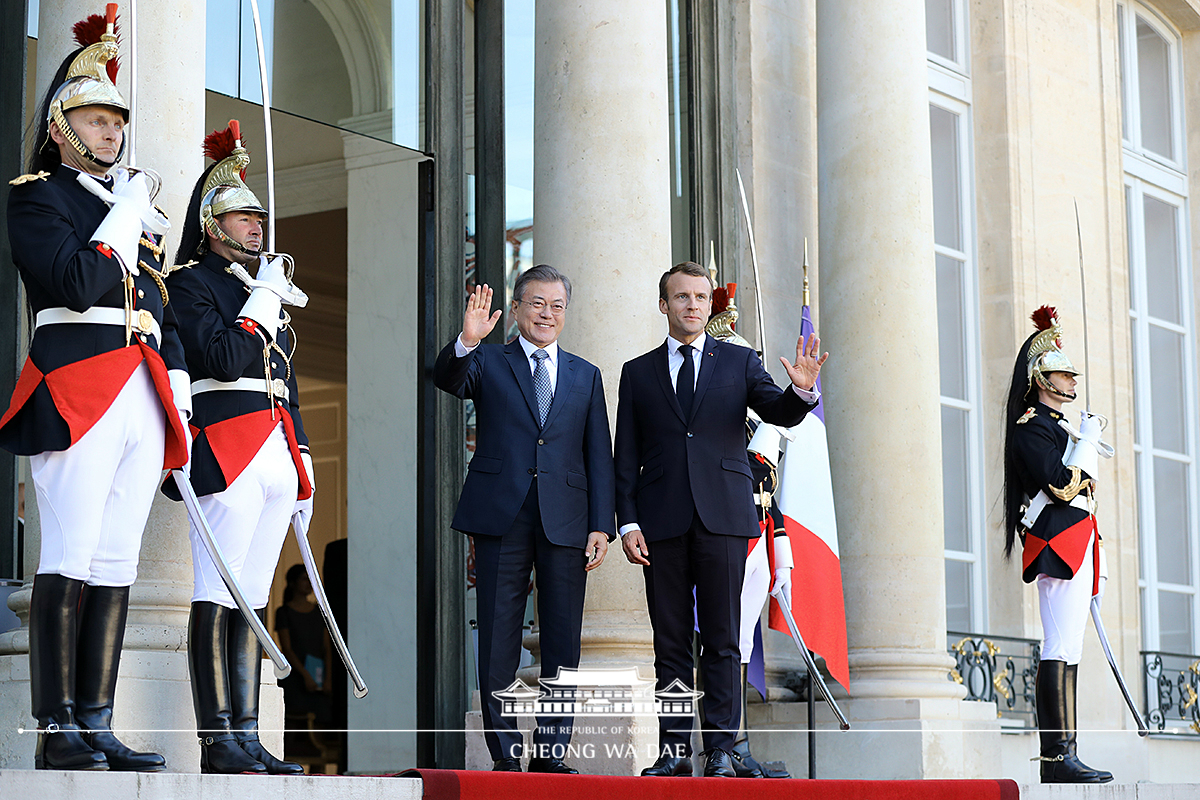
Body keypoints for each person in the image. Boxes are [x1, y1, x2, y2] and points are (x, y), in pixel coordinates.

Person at [1, 7, 189, 772]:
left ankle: (97, 721)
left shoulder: (131, 210)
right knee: (70, 554)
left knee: (116, 562)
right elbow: (76, 281)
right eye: (96, 119)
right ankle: (55, 729)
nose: (112, 133)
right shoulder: (37, 196)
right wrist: (123, 213)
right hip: (76, 387)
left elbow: (161, 311)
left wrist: (177, 394)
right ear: (61, 125)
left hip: (141, 393)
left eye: (117, 122)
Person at [615, 261, 826, 778]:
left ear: (710, 305)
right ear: (664, 305)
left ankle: (723, 750)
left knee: (723, 638)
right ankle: (672, 753)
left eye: (701, 297)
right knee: (669, 642)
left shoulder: (739, 361)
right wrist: (627, 522)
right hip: (661, 522)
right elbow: (626, 454)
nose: (692, 305)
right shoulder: (637, 371)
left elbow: (777, 411)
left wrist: (800, 392)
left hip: (724, 520)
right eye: (681, 297)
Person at [165, 121, 312, 775]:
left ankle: (248, 735)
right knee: (216, 594)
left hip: (275, 449)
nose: (257, 227)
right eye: (242, 217)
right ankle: (216, 739)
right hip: (226, 447)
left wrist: (302, 452)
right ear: (213, 223)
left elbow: (284, 380)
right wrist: (259, 304)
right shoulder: (190, 282)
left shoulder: (264, 288)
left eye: (258, 217)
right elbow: (223, 356)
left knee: (252, 597)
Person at [433, 265, 615, 773]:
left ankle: (553, 756)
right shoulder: (489, 361)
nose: (547, 314)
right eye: (537, 303)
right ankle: (506, 756)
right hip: (501, 516)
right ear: (515, 309)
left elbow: (598, 454)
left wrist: (602, 524)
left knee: (563, 639)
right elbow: (446, 378)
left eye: (557, 306)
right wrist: (467, 341)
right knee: (498, 637)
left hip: (567, 520)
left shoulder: (585, 374)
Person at [1002, 306, 1112, 784]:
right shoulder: (1032, 425)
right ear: (1042, 379)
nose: (1071, 381)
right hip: (1058, 543)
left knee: (1073, 649)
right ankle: (1055, 756)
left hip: (1078, 541)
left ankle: (1068, 750)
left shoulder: (1057, 426)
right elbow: (1061, 485)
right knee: (1059, 644)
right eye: (1063, 374)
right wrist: (1086, 444)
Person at [275, 564, 333, 728]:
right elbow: (287, 648)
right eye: (304, 579)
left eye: (311, 579)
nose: (308, 583)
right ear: (293, 583)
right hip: (295, 675)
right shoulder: (284, 612)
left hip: (318, 675)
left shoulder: (319, 612)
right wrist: (305, 675)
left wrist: (328, 679)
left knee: (322, 718)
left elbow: (327, 648)